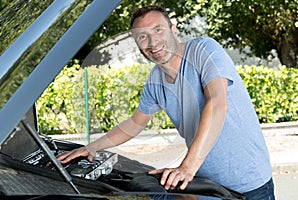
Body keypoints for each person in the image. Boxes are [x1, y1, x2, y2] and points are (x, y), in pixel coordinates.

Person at [58, 5, 275, 200]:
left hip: (249, 185)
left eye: (158, 30)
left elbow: (217, 102)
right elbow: (134, 123)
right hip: (208, 185)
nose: (152, 42)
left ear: (174, 29)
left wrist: (187, 168)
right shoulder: (155, 81)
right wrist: (92, 147)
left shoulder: (204, 50)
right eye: (142, 37)